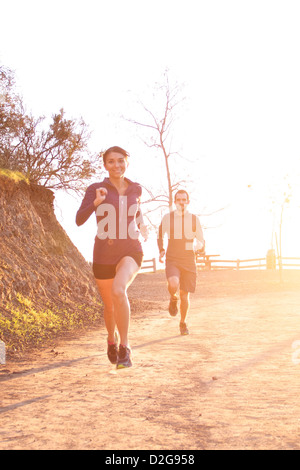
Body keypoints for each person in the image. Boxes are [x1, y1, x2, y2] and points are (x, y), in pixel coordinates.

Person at [76, 146, 147, 369]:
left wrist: (143, 224)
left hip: (131, 249)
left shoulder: (136, 188)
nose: (117, 165)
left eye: (121, 161)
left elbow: (136, 211)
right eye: (111, 162)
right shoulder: (96, 188)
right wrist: (96, 202)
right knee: (109, 307)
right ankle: (111, 339)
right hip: (103, 254)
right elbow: (79, 219)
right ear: (105, 165)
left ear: (127, 162)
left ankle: (125, 348)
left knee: (119, 290)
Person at [157, 190, 205, 335]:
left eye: (184, 200)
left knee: (185, 295)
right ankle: (173, 298)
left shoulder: (194, 219)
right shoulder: (168, 218)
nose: (182, 202)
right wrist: (161, 250)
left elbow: (201, 239)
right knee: (173, 284)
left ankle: (183, 323)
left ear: (188, 202)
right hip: (172, 258)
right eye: (179, 200)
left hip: (189, 260)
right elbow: (159, 235)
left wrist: (200, 247)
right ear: (175, 202)